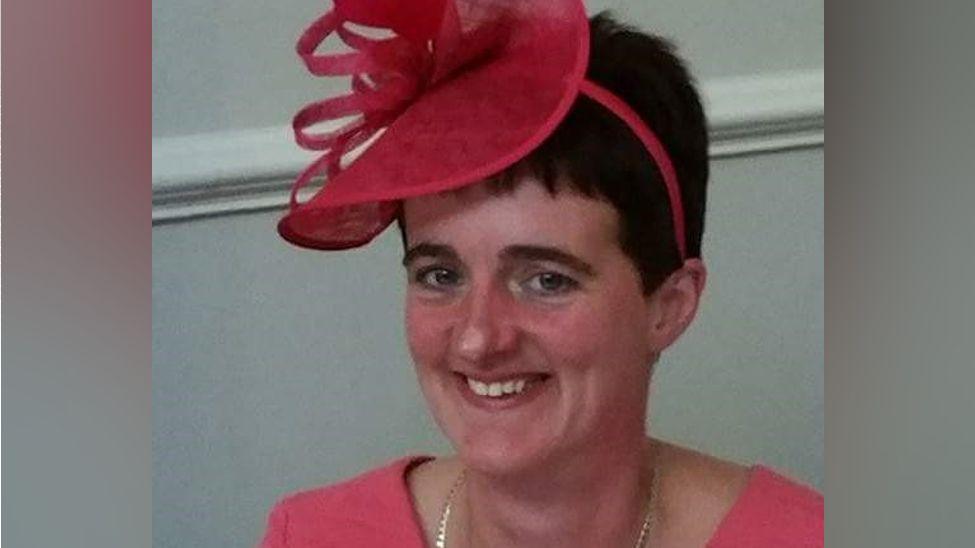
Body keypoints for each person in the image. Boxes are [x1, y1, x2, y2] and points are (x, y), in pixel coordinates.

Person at [262, 1, 822, 546]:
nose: (479, 338)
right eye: (440, 275)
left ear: (668, 306)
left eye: (546, 280)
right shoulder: (313, 536)